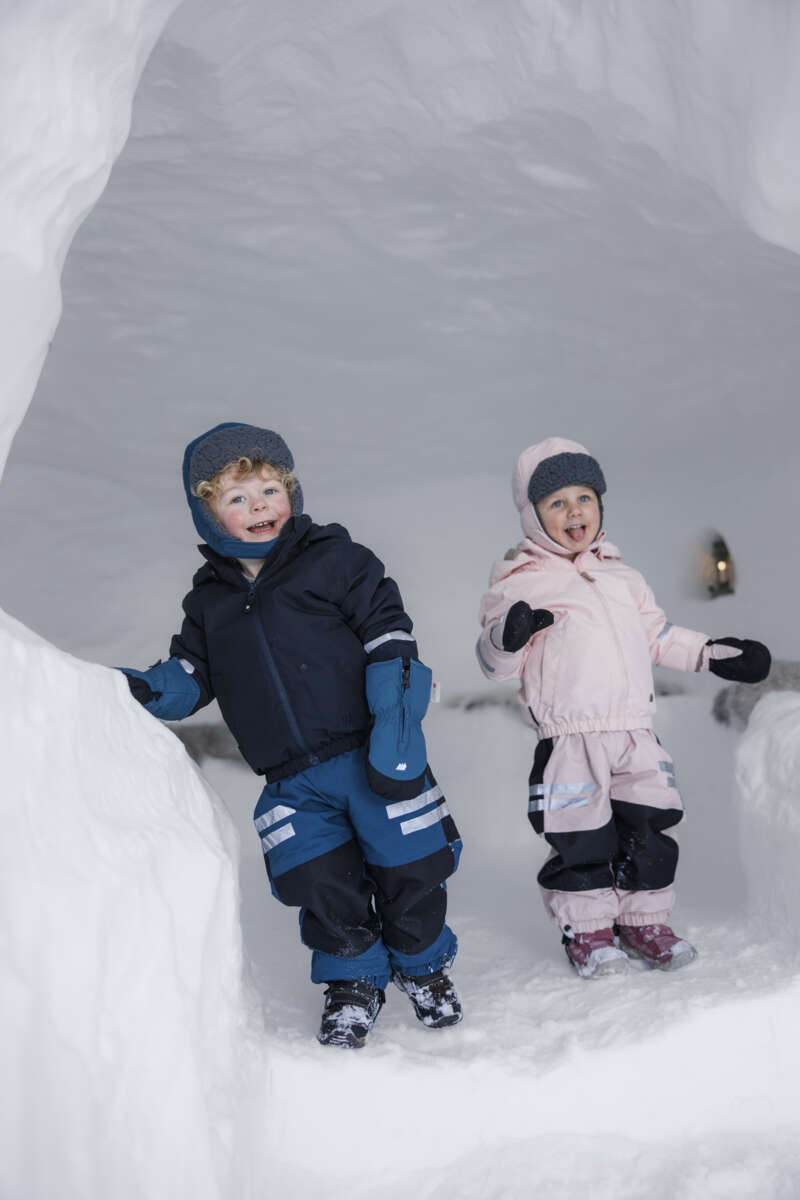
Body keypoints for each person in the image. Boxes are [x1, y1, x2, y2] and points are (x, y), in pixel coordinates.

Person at [122, 422, 462, 1046]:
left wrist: (396, 727)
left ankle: (423, 965)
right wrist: (142, 690)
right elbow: (192, 675)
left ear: (293, 493)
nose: (259, 507)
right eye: (237, 498)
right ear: (207, 516)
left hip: (372, 751)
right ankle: (353, 982)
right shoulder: (209, 604)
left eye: (270, 489)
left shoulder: (339, 562)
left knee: (412, 866)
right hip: (291, 779)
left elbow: (391, 640)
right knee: (321, 882)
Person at [476, 436, 770, 979]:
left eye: (583, 498)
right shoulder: (519, 583)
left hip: (635, 731)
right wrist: (508, 636)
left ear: (600, 504)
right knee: (580, 835)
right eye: (556, 502)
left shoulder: (623, 577)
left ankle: (644, 922)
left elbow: (658, 636)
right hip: (569, 738)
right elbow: (496, 665)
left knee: (650, 829)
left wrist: (713, 653)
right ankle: (587, 932)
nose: (574, 512)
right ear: (533, 515)